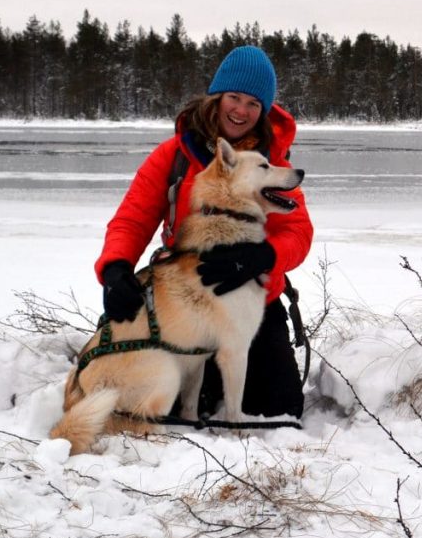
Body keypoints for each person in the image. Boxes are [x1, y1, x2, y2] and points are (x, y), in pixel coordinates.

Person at [94, 45, 312, 421]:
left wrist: (262, 257)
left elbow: (298, 230)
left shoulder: (270, 165)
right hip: (188, 302)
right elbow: (132, 219)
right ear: (217, 97)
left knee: (281, 408)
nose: (241, 111)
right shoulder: (174, 155)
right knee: (179, 405)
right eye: (234, 98)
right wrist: (115, 269)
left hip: (250, 297)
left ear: (263, 112)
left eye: (253, 104)